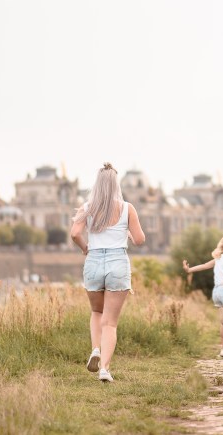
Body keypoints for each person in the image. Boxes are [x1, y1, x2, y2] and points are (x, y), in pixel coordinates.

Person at [69, 163, 146, 383]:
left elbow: (75, 233)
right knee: (110, 322)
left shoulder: (87, 208)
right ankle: (104, 369)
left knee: (96, 312)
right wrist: (127, 233)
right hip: (117, 262)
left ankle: (95, 349)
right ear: (116, 185)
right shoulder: (127, 208)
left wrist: (85, 248)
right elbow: (140, 240)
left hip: (93, 261)